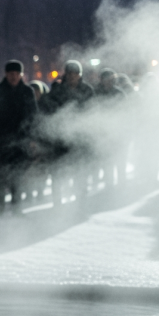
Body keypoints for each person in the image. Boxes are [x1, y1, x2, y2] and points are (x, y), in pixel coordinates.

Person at [0, 60, 38, 214]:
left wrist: (32, 137)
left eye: (16, 74)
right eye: (11, 74)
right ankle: (0, 208)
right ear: (6, 74)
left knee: (18, 177)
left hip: (21, 141)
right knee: (0, 177)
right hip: (0, 141)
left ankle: (17, 208)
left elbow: (33, 116)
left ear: (21, 75)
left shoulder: (27, 91)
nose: (13, 77)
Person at [39, 60, 94, 207]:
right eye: (69, 73)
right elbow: (47, 111)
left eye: (75, 73)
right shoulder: (57, 90)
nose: (72, 76)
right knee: (58, 174)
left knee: (80, 173)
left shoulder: (87, 91)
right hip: (59, 140)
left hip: (80, 140)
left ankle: (80, 203)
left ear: (79, 75)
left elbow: (93, 113)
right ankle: (57, 203)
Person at [93, 68, 127, 187]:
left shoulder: (119, 93)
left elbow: (126, 112)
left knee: (120, 160)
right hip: (102, 133)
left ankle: (121, 184)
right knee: (106, 162)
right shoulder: (96, 93)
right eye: (107, 79)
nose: (109, 82)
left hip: (117, 132)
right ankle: (109, 185)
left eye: (112, 79)